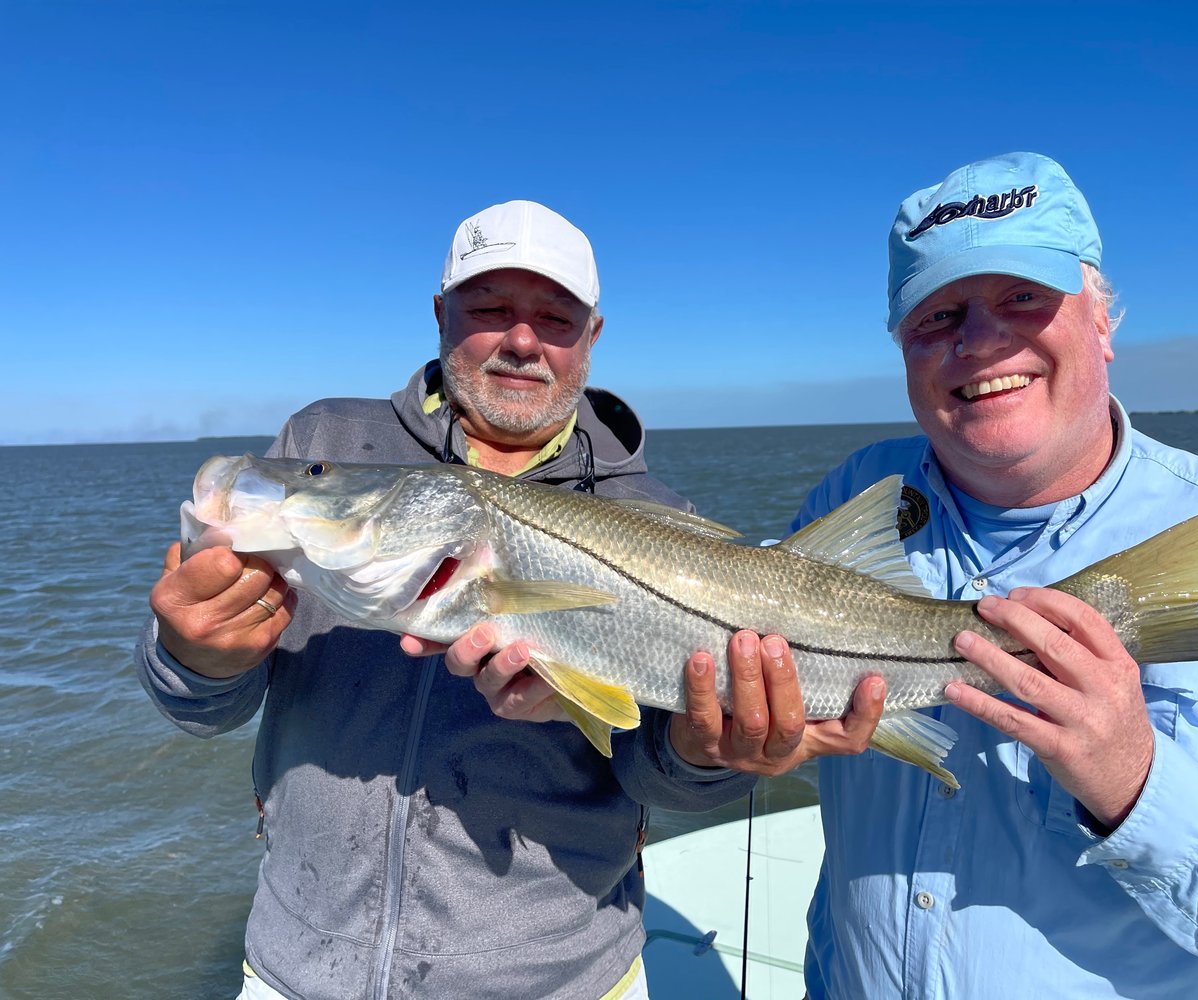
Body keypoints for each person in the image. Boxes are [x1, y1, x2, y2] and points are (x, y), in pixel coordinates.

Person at [698, 153, 1198, 998]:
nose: (980, 340)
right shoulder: (854, 494)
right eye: (938, 315)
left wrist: (1137, 783)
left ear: (1102, 322)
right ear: (902, 347)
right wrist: (734, 737)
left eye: (1023, 299)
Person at [134, 200, 764, 1000]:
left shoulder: (660, 519)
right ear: (440, 314)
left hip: (564, 978)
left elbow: (662, 779)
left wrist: (714, 753)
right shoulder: (325, 442)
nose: (523, 340)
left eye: (555, 318)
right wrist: (193, 659)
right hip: (298, 968)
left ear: (591, 338)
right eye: (490, 308)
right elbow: (202, 708)